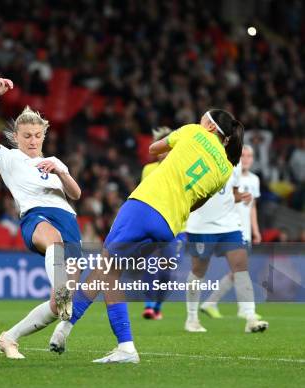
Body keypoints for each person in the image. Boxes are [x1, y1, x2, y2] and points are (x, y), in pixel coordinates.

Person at [49, 109, 245, 363]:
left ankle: (124, 346)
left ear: (209, 125)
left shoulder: (193, 132)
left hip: (145, 205)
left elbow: (154, 149)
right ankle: (64, 330)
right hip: (170, 226)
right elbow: (198, 202)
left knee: (108, 272)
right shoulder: (226, 170)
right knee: (108, 269)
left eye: (202, 119)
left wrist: (176, 149)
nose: (199, 122)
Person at [0, 78, 82, 359]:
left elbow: (76, 194)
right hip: (37, 218)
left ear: (44, 136)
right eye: (27, 135)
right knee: (53, 246)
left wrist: (61, 172)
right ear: (16, 136)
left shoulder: (54, 162)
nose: (32, 141)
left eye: (37, 135)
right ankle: (60, 289)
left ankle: (9, 338)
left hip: (69, 221)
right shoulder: (9, 158)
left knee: (59, 306)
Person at [183, 157, 268, 333]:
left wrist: (241, 197)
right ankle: (192, 319)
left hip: (229, 225)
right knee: (199, 271)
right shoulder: (196, 160)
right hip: (201, 226)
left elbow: (232, 193)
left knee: (241, 269)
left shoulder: (234, 163)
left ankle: (250, 317)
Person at [140, 127, 187, 320]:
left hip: (177, 227)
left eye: (167, 149)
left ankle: (158, 305)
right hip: (152, 225)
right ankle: (149, 305)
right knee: (150, 265)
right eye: (161, 149)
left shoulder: (181, 171)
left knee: (168, 271)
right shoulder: (148, 170)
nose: (163, 153)